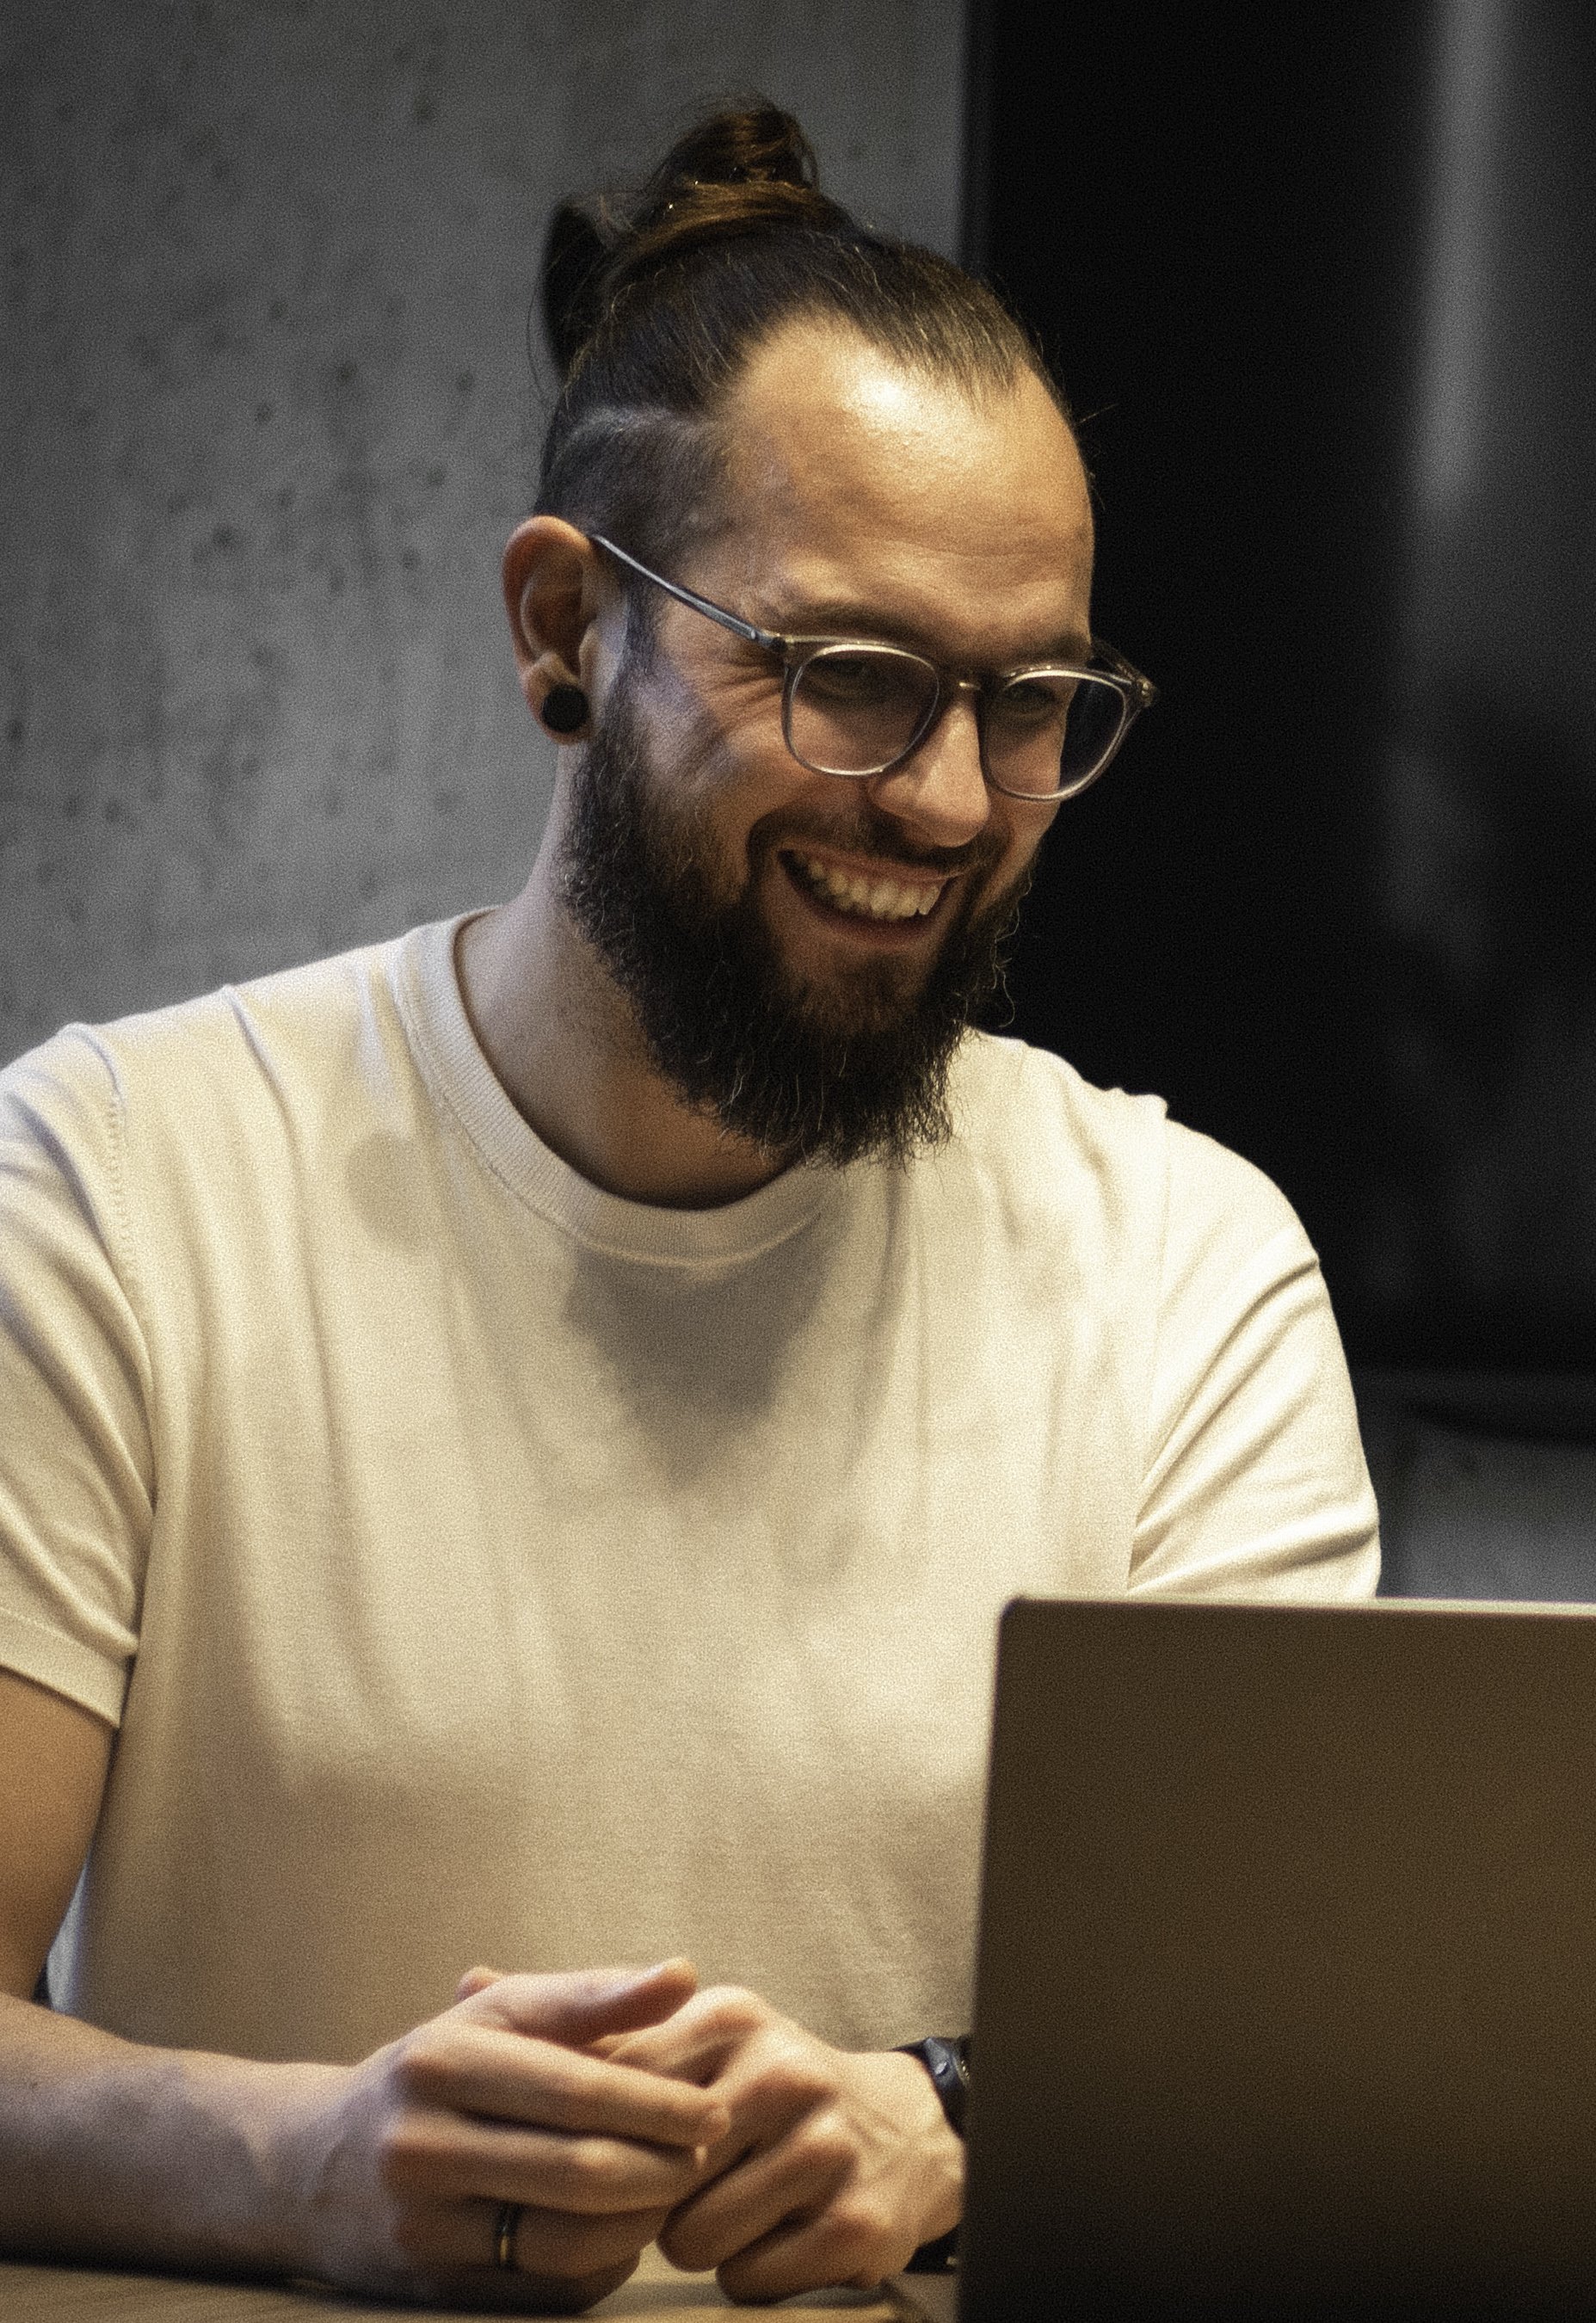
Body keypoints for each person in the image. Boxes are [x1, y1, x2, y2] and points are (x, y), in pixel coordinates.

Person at [0, 104, 1378, 2313]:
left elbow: (1283, 2048)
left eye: (1031, 705)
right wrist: (306, 2161)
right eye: (847, 679)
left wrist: (943, 2116)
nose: (942, 799)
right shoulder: (114, 1186)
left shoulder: (1183, 1268)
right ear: (565, 630)